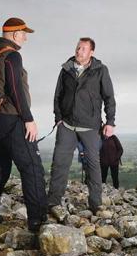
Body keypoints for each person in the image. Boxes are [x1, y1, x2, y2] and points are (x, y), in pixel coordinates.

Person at [0, 17, 47, 232]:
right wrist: (28, 119)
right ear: (15, 34)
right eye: (24, 33)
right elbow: (16, 89)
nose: (26, 37)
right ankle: (38, 221)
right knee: (33, 168)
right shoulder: (12, 56)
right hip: (11, 119)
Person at [47, 37, 116, 213]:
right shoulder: (66, 69)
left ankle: (95, 204)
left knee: (93, 164)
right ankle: (53, 202)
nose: (79, 51)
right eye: (78, 48)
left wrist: (110, 121)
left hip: (90, 126)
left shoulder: (100, 70)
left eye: (83, 49)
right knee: (59, 163)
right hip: (67, 126)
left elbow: (109, 97)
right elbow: (57, 96)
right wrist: (59, 119)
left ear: (91, 52)